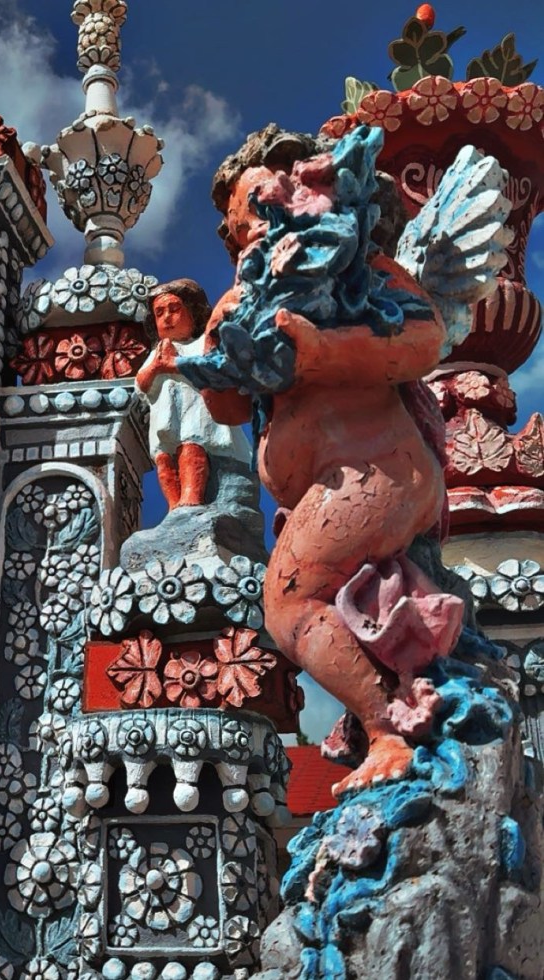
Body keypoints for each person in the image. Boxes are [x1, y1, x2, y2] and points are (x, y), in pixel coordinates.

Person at [166, 125, 466, 795]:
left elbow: (424, 339)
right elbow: (230, 410)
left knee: (288, 605)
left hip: (376, 469)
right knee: (299, 608)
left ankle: (389, 733)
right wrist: (221, 351)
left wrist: (323, 351)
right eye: (237, 226)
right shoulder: (246, 296)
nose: (249, 230)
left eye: (260, 208)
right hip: (327, 492)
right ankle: (382, 723)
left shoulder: (355, 266)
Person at [135, 279, 250, 510]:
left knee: (192, 448)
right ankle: (173, 505)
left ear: (193, 314)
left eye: (174, 309)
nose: (167, 317)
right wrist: (156, 367)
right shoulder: (156, 353)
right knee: (164, 460)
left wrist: (173, 363)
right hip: (165, 418)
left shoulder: (199, 345)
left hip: (195, 412)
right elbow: (141, 386)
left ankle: (192, 497)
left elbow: (209, 368)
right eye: (159, 313)